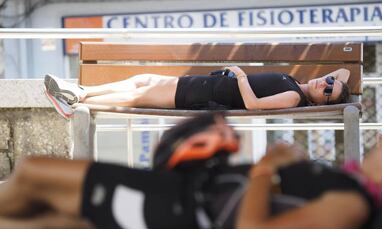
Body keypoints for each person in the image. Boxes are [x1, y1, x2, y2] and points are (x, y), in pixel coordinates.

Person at [1, 113, 382, 229]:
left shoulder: (351, 206)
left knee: (32, 173)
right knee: (52, 219)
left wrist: (267, 166)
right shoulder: (350, 183)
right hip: (183, 194)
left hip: (175, 208)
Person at [43, 67, 350, 119]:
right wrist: (340, 86)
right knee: (143, 79)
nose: (325, 83)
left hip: (205, 97)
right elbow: (343, 75)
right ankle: (81, 92)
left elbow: (254, 106)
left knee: (140, 96)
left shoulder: (294, 96)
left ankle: (78, 102)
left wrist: (241, 76)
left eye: (328, 92)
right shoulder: (295, 82)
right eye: (327, 82)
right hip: (204, 83)